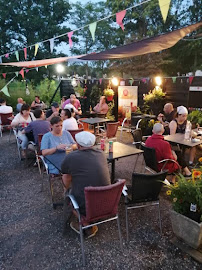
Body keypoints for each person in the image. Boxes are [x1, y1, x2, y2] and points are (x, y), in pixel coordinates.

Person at [61, 131, 110, 237]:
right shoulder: (101, 154)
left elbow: (66, 178)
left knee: (69, 195)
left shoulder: (71, 157)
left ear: (78, 145)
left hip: (86, 205)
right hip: (108, 202)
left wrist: (66, 189)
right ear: (92, 144)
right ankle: (92, 219)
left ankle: (86, 223)